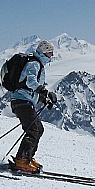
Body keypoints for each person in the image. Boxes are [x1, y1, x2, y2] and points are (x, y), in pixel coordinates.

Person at [10, 40, 57, 173]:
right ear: (43, 51)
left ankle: (28, 158)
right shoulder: (34, 64)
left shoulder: (37, 64)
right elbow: (31, 82)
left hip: (24, 101)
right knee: (34, 130)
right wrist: (45, 92)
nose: (51, 55)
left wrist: (43, 99)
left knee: (38, 129)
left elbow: (28, 88)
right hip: (21, 102)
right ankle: (22, 160)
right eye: (49, 52)